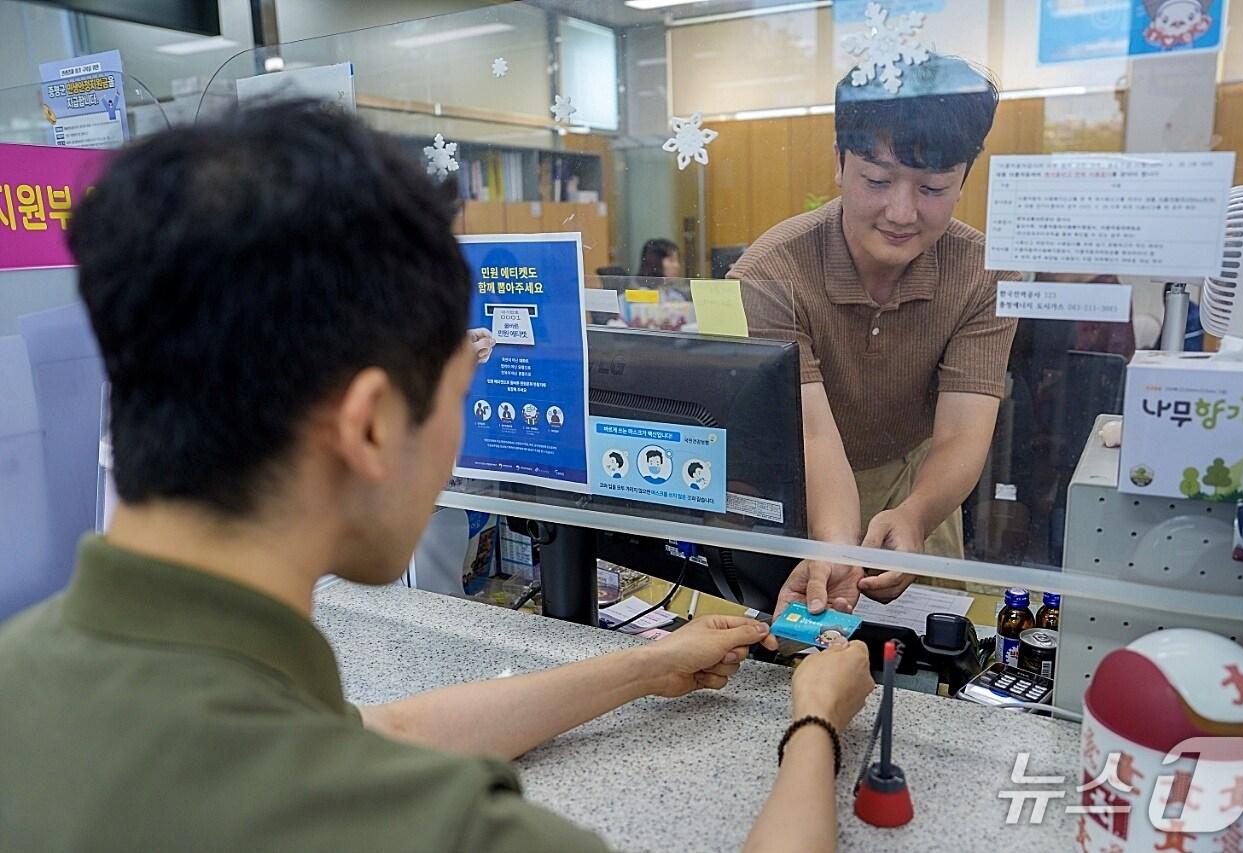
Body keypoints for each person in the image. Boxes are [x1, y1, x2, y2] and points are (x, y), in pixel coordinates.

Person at [0, 102, 874, 853]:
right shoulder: (429, 826)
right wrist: (816, 725)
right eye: (463, 385)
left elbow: (389, 730)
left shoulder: (46, 676)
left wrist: (645, 668)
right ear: (373, 425)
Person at [733, 54, 1016, 616]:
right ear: (839, 163)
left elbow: (962, 431)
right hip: (804, 482)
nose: (901, 212)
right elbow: (812, 435)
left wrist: (915, 516)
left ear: (964, 178)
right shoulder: (771, 272)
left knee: (923, 654)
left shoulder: (983, 271)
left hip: (922, 479)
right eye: (878, 180)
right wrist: (833, 549)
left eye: (933, 188)